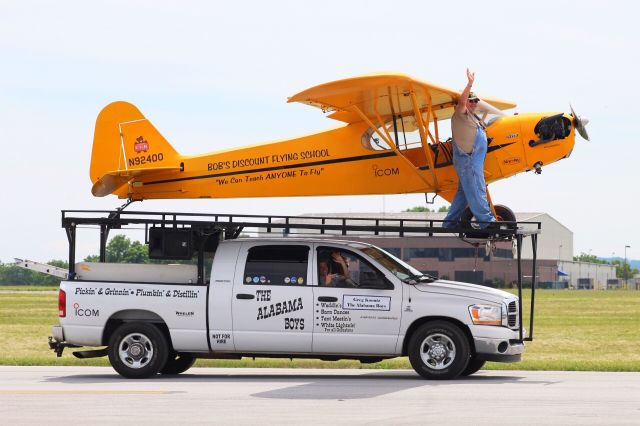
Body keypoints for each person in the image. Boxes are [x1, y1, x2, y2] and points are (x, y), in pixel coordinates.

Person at [443, 68, 496, 229]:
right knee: (476, 188)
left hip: (472, 161)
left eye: (475, 101)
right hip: (469, 161)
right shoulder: (460, 113)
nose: (473, 103)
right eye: (470, 100)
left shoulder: (474, 118)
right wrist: (469, 84)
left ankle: (449, 223)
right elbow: (461, 102)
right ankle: (486, 222)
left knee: (464, 193)